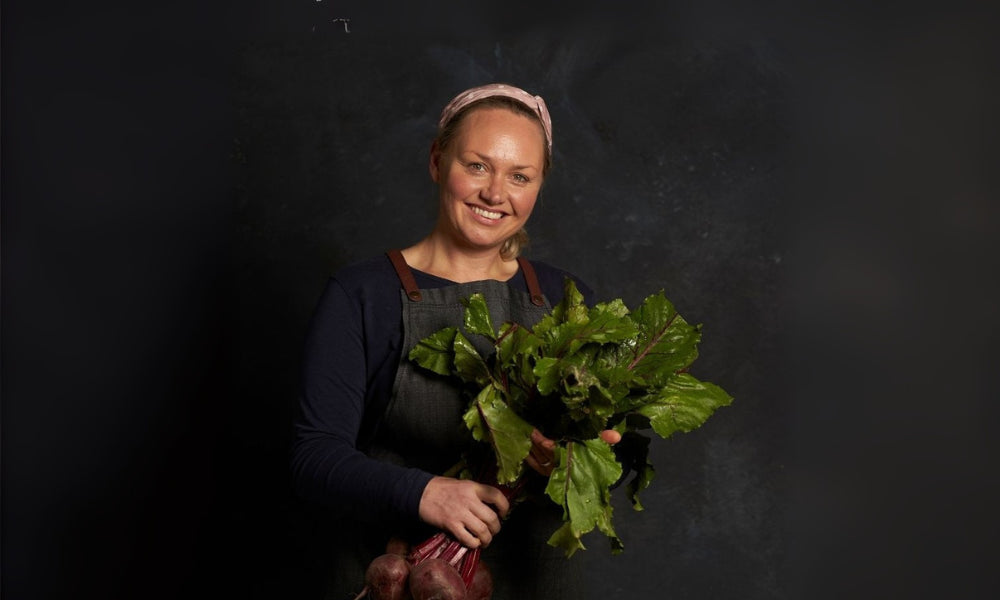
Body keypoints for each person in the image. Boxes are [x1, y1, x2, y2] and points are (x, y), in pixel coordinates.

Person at [292, 83, 619, 599]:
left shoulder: (569, 301)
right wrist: (423, 493)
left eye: (520, 176)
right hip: (391, 577)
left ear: (538, 186)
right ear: (437, 160)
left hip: (528, 580)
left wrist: (575, 462)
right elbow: (312, 458)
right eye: (477, 166)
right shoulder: (363, 293)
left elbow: (607, 467)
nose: (496, 194)